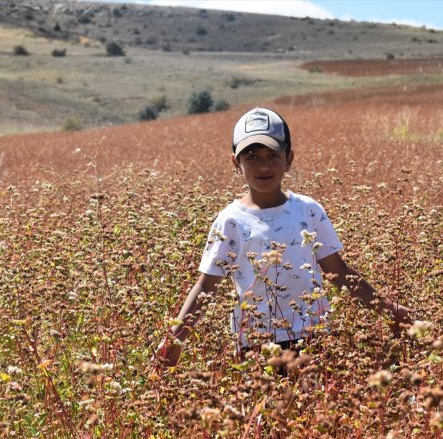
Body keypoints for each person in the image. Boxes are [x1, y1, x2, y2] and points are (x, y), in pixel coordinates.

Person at [155, 107, 409, 367]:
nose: (263, 165)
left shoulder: (308, 211)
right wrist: (176, 338)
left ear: (289, 159)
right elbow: (207, 285)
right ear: (235, 163)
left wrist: (390, 310)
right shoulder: (230, 220)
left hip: (314, 337)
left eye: (273, 155)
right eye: (252, 156)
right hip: (255, 345)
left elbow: (339, 272)